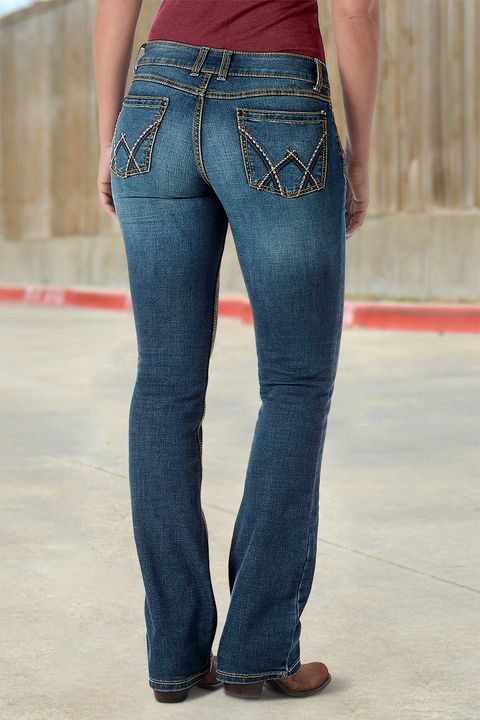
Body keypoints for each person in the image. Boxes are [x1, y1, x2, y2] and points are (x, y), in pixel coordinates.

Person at [94, 0, 380, 704]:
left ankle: (176, 657)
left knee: (164, 385)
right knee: (295, 384)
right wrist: (363, 155)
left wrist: (109, 135)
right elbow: (355, 7)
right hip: (278, 101)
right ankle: (259, 650)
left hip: (154, 104)